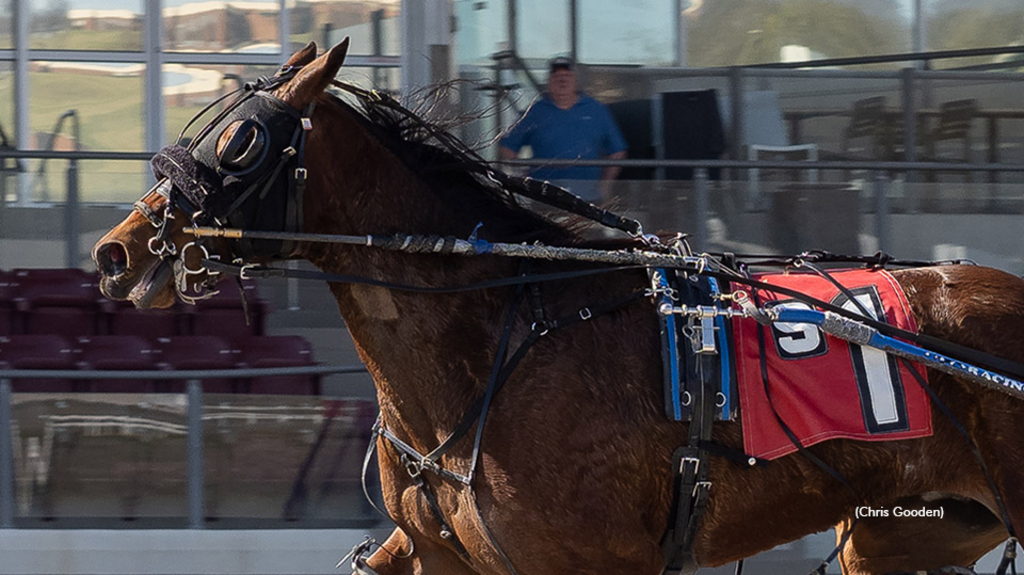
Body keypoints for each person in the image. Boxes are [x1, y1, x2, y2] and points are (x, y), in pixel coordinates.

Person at [499, 56, 627, 202]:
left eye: (567, 75)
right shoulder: (535, 112)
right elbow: (507, 149)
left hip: (587, 201)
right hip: (544, 199)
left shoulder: (596, 110)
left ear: (576, 81)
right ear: (549, 81)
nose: (562, 80)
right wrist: (522, 176)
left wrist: (605, 186)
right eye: (556, 76)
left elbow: (617, 152)